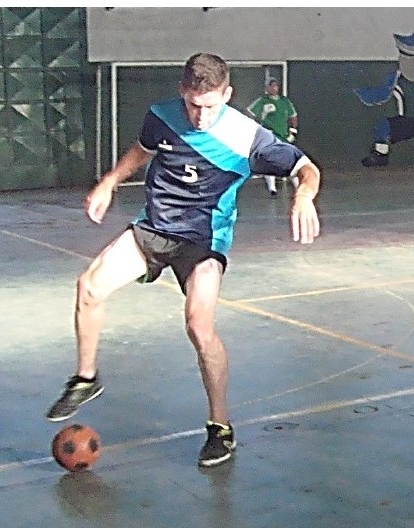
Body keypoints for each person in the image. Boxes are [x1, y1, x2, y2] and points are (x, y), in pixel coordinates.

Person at [45, 53, 321, 468]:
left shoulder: (248, 137)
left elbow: (306, 168)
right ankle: (86, 378)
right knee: (89, 286)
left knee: (199, 325)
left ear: (227, 95)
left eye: (210, 105)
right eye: (193, 105)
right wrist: (109, 182)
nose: (200, 115)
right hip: (155, 227)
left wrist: (303, 197)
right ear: (182, 93)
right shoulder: (162, 116)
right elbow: (141, 151)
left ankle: (220, 427)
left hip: (203, 241)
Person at [247, 77, 299, 197]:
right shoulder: (262, 101)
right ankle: (272, 188)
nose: (274, 88)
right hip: (269, 135)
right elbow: (249, 113)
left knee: (289, 160)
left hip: (284, 136)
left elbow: (293, 116)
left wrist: (293, 132)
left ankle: (298, 187)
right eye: (271, 86)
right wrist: (259, 123)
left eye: (275, 85)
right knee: (269, 160)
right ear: (267, 87)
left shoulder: (285, 102)